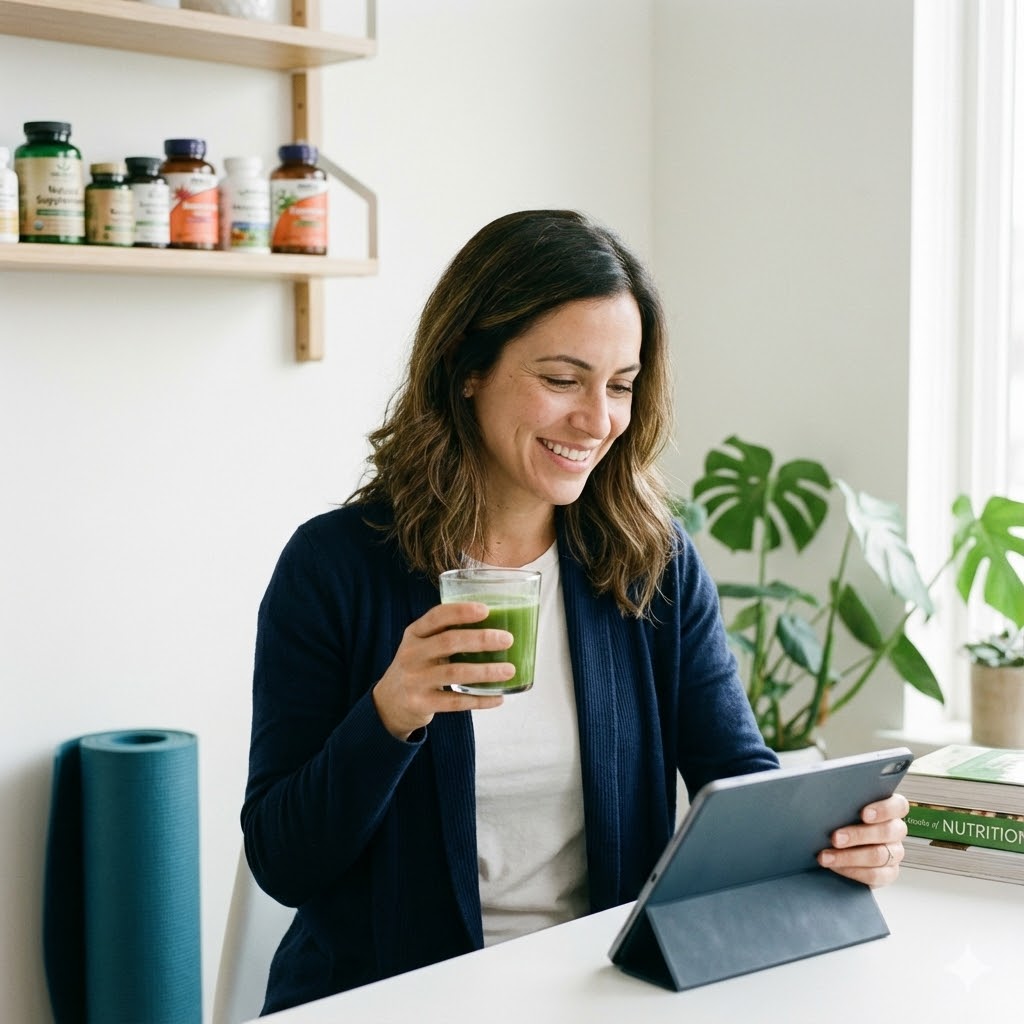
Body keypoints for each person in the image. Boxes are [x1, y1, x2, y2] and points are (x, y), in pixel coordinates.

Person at [242, 209, 909, 1015]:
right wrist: (388, 716)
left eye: (620, 386)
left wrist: (833, 843)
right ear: (466, 367)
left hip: (596, 995)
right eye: (562, 380)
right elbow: (283, 861)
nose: (597, 421)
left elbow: (735, 784)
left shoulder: (650, 563)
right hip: (390, 998)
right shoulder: (334, 567)